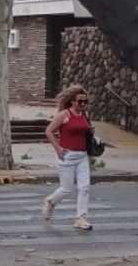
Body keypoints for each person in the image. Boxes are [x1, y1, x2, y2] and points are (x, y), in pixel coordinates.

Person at [41, 84, 94, 231]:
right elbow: (49, 131)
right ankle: (51, 201)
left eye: (85, 102)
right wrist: (57, 148)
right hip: (67, 156)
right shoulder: (64, 115)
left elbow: (87, 132)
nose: (83, 104)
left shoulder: (85, 115)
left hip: (82, 155)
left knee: (85, 188)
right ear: (72, 101)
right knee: (66, 189)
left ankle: (81, 218)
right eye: (80, 101)